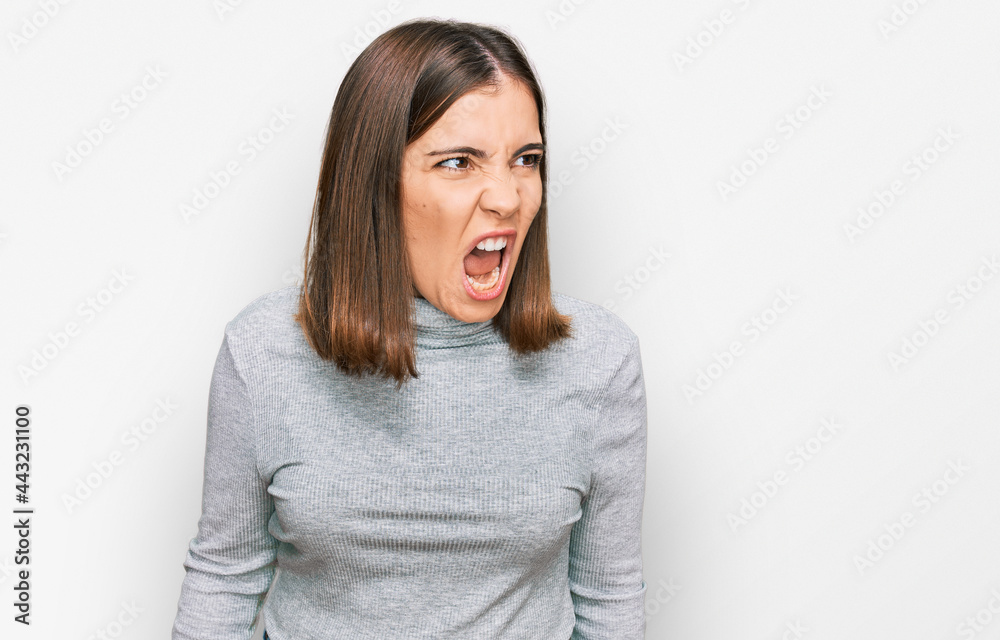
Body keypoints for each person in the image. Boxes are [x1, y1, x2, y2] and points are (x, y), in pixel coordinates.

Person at [171, 17, 648, 640]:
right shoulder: (262, 351)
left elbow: (610, 598)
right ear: (374, 184)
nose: (506, 197)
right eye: (459, 162)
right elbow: (225, 577)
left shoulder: (600, 360)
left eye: (525, 160)